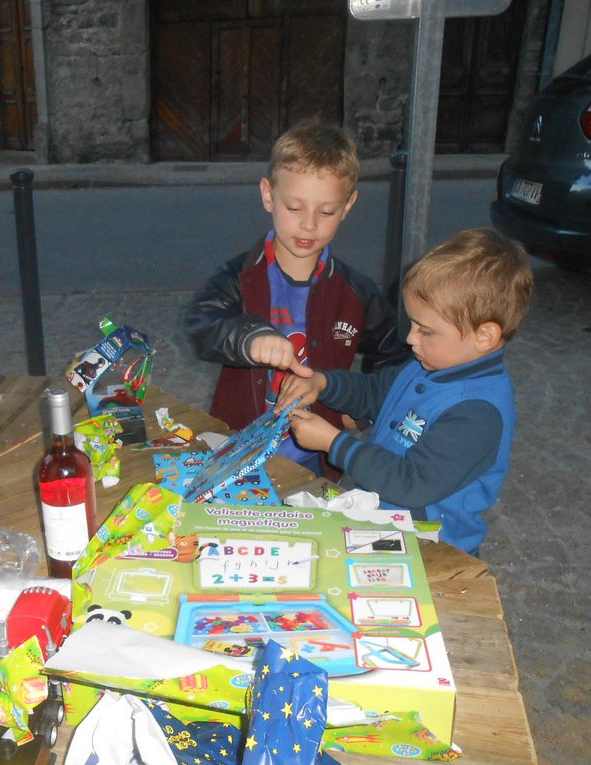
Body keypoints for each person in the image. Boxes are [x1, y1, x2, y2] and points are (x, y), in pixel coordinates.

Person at [277, 228, 534, 555]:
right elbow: (373, 392)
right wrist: (323, 383)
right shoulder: (427, 364)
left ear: (484, 336)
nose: (411, 338)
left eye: (426, 331)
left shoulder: (477, 412)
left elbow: (411, 482)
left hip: (429, 544)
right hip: (380, 515)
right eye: (412, 324)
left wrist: (333, 443)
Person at [186, 121, 408, 477]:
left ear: (348, 205)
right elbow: (201, 324)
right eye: (294, 208)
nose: (308, 225)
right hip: (239, 447)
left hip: (315, 459)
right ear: (268, 195)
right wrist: (249, 337)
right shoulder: (239, 276)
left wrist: (360, 410)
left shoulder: (356, 291)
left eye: (326, 212)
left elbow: (397, 353)